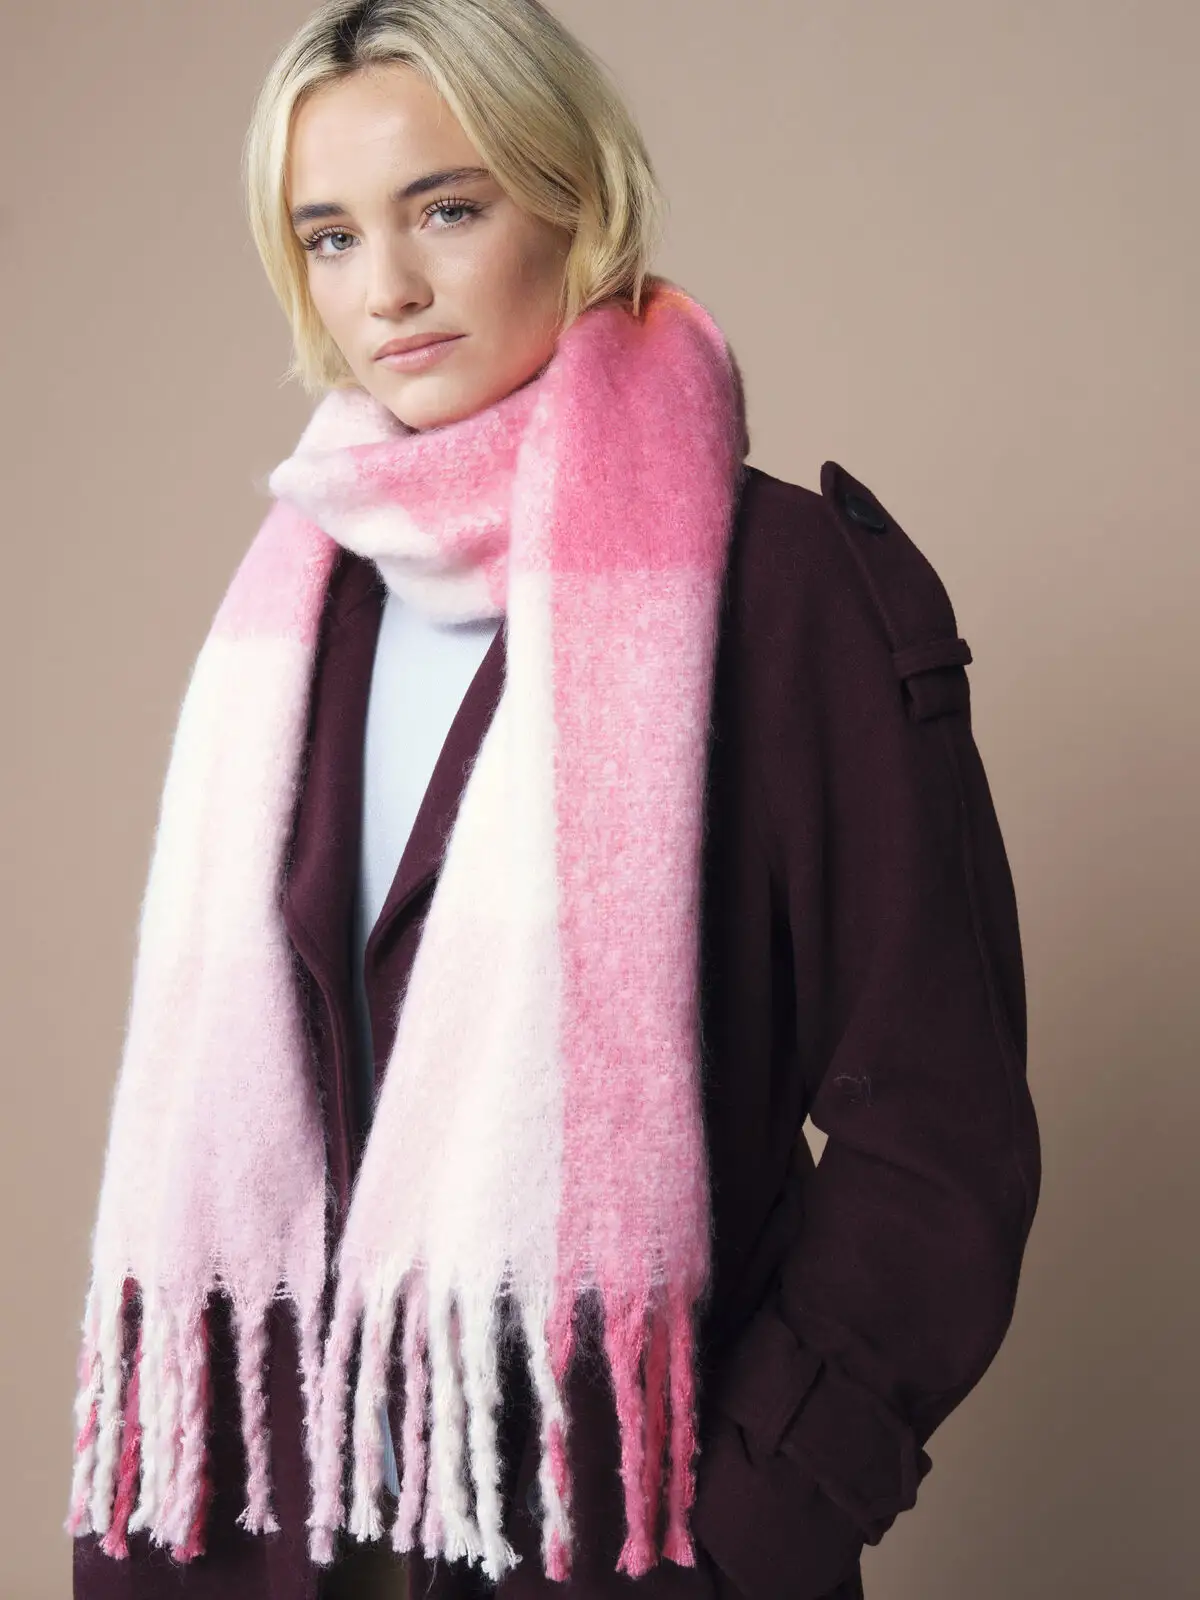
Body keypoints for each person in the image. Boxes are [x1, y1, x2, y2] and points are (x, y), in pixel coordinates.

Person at [67, 3, 1042, 1599]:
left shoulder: (780, 592)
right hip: (283, 1543)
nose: (385, 287)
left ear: (574, 200)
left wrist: (743, 1534)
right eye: (330, 235)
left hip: (619, 1544)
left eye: (445, 209)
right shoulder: (297, 616)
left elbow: (944, 1138)